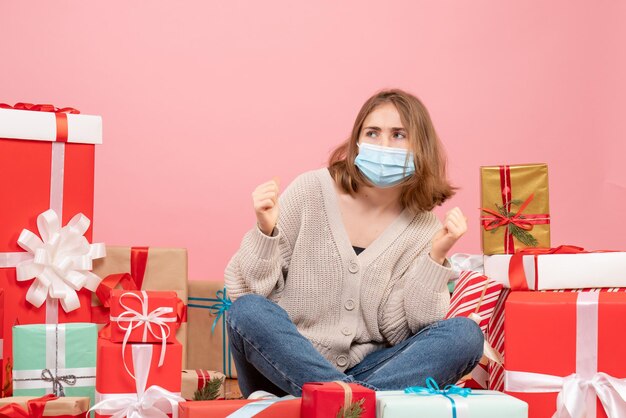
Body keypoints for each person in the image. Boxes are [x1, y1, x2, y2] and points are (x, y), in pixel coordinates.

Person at [224, 89, 483, 398]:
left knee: (464, 335)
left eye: (398, 135)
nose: (383, 145)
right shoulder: (311, 190)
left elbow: (404, 332)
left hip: (369, 370)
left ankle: (340, 402)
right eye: (372, 133)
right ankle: (355, 402)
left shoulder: (423, 227)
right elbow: (248, 292)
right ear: (357, 141)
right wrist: (266, 233)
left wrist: (434, 258)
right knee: (248, 310)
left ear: (420, 146)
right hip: (283, 368)